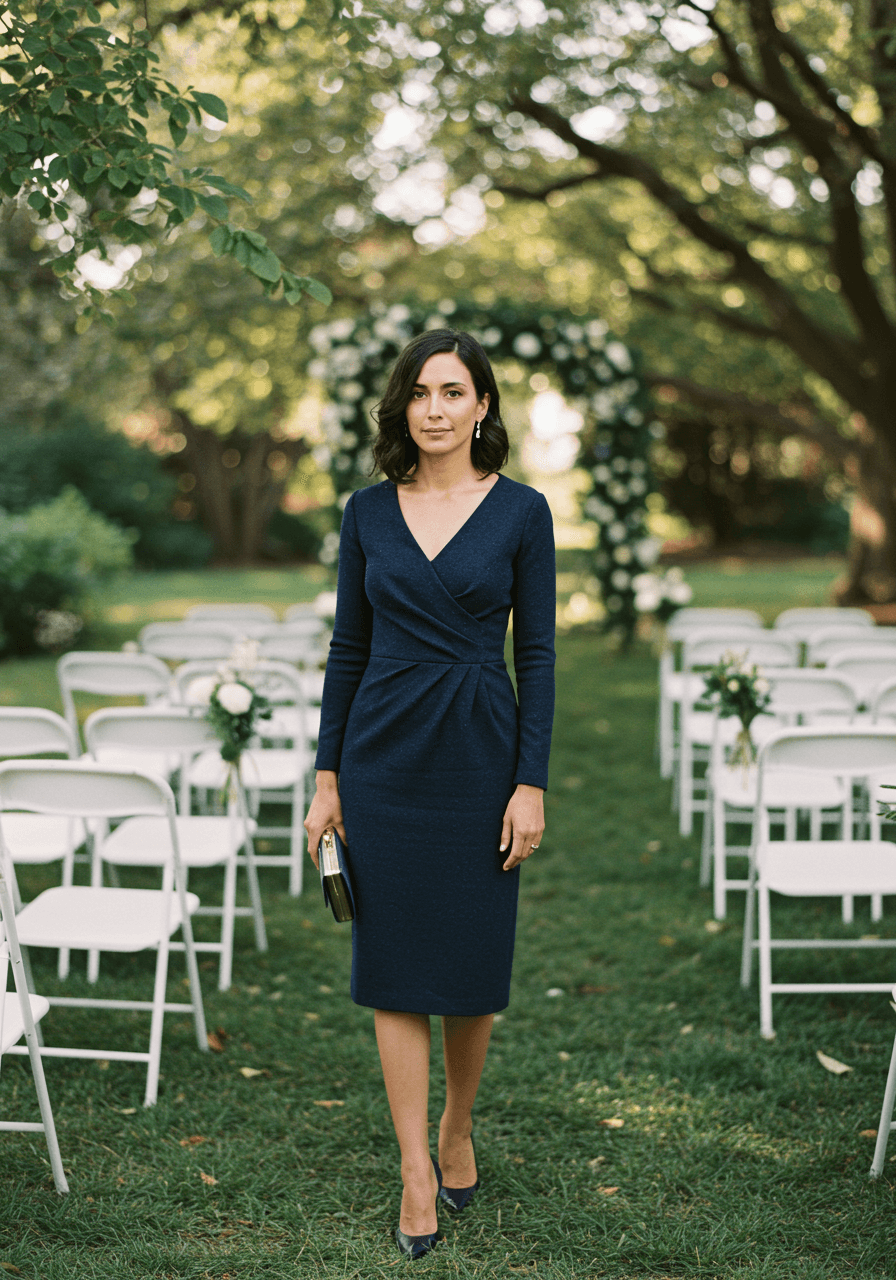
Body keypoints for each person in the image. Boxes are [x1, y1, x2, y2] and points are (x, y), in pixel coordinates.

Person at [304, 328, 555, 1260]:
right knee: (394, 960)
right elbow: (346, 649)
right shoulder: (367, 512)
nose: (436, 408)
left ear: (482, 405)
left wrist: (530, 781)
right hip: (381, 755)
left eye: (454, 391)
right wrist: (328, 778)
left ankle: (458, 1125)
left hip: (481, 747)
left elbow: (536, 653)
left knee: (473, 962)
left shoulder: (524, 511)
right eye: (420, 392)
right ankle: (415, 1164)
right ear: (402, 407)